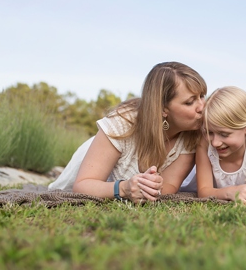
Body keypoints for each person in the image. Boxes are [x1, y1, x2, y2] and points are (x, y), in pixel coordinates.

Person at [49, 62, 206, 201]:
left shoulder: (192, 133)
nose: (202, 107)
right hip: (98, 152)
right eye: (190, 102)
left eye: (202, 96)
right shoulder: (121, 124)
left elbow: (169, 185)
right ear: (163, 108)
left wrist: (149, 187)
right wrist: (124, 188)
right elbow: (83, 185)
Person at [195, 86, 246, 206]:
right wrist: (231, 193)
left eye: (224, 134)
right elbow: (203, 191)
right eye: (210, 133)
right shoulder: (204, 144)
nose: (215, 143)